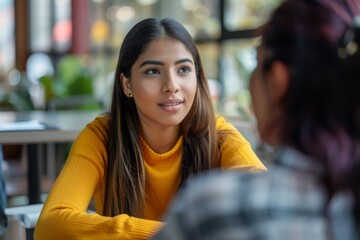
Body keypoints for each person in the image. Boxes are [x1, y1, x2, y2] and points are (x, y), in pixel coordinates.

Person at [34, 18, 266, 240]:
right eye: (153, 71)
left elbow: (266, 209)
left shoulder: (219, 136)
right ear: (127, 84)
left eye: (183, 69)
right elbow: (51, 226)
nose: (172, 86)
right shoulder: (102, 137)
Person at [153, 0, 360, 239]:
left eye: (256, 63)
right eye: (153, 71)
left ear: (277, 81)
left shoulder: (214, 209)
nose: (171, 87)